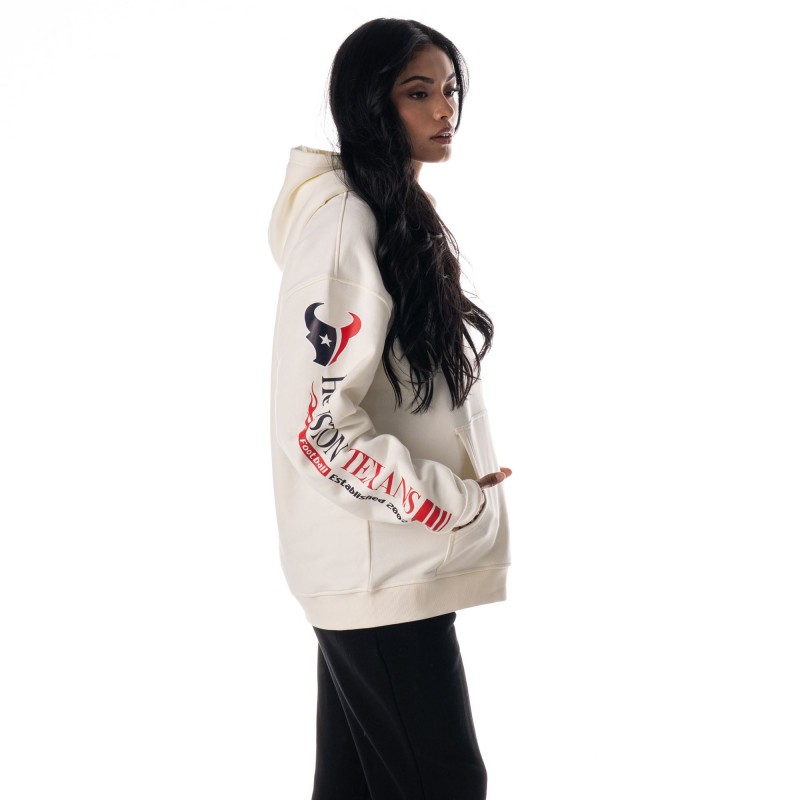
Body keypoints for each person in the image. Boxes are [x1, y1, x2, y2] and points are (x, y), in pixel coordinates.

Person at [268, 18, 512, 800]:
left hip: (381, 561)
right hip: (379, 567)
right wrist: (447, 502)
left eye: (449, 90)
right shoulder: (347, 221)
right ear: (370, 103)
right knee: (443, 783)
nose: (444, 109)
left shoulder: (387, 208)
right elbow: (317, 426)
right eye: (418, 92)